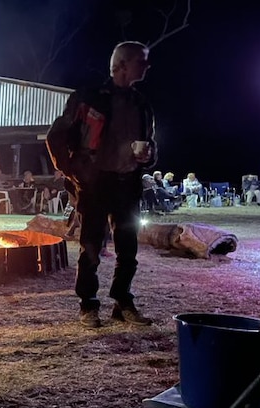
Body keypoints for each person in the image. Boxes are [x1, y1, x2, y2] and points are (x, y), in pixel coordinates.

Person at [46, 41, 156, 329]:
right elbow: (56, 136)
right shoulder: (88, 98)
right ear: (121, 65)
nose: (147, 66)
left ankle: (122, 302)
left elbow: (151, 144)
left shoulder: (141, 104)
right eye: (141, 61)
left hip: (128, 183)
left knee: (128, 249)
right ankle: (88, 305)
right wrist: (71, 171)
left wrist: (148, 156)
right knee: (91, 248)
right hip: (95, 183)